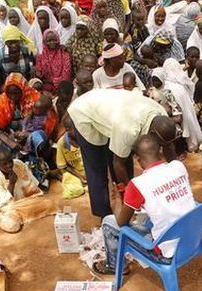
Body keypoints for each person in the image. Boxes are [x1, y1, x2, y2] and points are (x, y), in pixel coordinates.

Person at [93, 134, 196, 274]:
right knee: (151, 217)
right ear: (159, 151)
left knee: (108, 222)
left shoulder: (137, 184)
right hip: (193, 239)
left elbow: (121, 223)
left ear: (138, 160)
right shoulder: (178, 166)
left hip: (166, 254)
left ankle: (115, 266)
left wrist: (117, 202)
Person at [67, 88, 176, 218]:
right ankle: (104, 214)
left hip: (110, 110)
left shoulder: (161, 114)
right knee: (97, 167)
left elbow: (168, 146)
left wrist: (175, 174)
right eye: (161, 144)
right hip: (84, 112)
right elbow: (118, 163)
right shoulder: (129, 129)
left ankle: (126, 202)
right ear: (152, 133)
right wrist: (135, 193)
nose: (162, 148)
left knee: (123, 152)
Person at [0, 147, 58, 233]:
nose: (9, 165)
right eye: (4, 164)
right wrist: (11, 184)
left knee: (50, 204)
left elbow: (32, 185)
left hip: (26, 201)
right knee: (11, 225)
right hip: (11, 207)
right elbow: (4, 202)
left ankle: (21, 216)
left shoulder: (18, 164)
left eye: (10, 161)